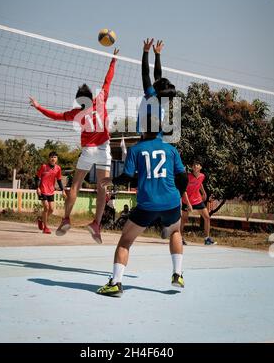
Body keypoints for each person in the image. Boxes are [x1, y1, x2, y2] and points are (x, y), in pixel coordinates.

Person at [29, 48, 119, 243]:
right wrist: (113, 60)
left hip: (88, 151)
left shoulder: (75, 113)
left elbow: (55, 116)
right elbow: (107, 80)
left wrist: (38, 106)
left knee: (75, 185)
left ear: (79, 101)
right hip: (104, 149)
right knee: (102, 188)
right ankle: (96, 224)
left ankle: (66, 219)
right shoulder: (101, 100)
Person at [96, 115, 188, 297]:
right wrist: (178, 196)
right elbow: (183, 177)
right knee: (176, 232)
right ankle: (177, 275)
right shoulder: (171, 149)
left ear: (143, 130)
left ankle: (116, 283)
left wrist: (112, 180)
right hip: (171, 202)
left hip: (147, 205)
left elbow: (128, 176)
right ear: (160, 130)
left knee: (125, 241)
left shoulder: (136, 149)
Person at [137, 38, 177, 136]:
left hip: (145, 135)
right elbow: (158, 75)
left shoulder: (151, 95)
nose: (156, 79)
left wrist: (146, 52)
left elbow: (145, 74)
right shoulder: (163, 97)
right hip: (159, 136)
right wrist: (157, 54)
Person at [181, 159, 217, 245]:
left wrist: (204, 192)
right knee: (184, 219)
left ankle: (207, 239)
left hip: (197, 200)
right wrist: (188, 203)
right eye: (194, 164)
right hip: (187, 200)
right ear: (192, 167)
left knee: (207, 217)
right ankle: (179, 238)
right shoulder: (187, 177)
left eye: (197, 164)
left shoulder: (202, 176)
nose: (195, 166)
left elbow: (200, 183)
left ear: (200, 167)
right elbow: (184, 191)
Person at [35, 151, 66, 234]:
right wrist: (37, 188)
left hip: (51, 191)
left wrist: (62, 190)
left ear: (57, 159)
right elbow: (37, 177)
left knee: (51, 209)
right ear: (49, 158)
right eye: (51, 157)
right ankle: (45, 227)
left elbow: (59, 180)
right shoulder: (44, 167)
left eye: (55, 157)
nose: (53, 158)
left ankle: (41, 219)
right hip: (42, 190)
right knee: (46, 207)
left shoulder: (58, 168)